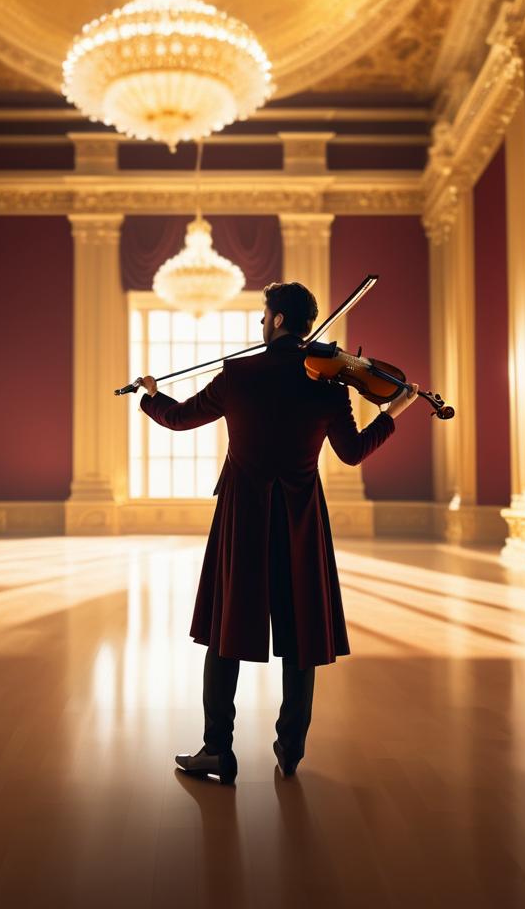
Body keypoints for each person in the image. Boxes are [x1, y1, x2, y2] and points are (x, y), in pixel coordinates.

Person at [136, 281, 419, 784]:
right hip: (300, 516)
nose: (260, 324)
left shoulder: (239, 374)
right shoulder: (327, 385)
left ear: (279, 321)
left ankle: (216, 750)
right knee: (301, 629)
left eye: (264, 316)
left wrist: (152, 397)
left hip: (244, 513)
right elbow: (352, 453)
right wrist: (392, 412)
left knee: (227, 629)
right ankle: (291, 748)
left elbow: (179, 419)